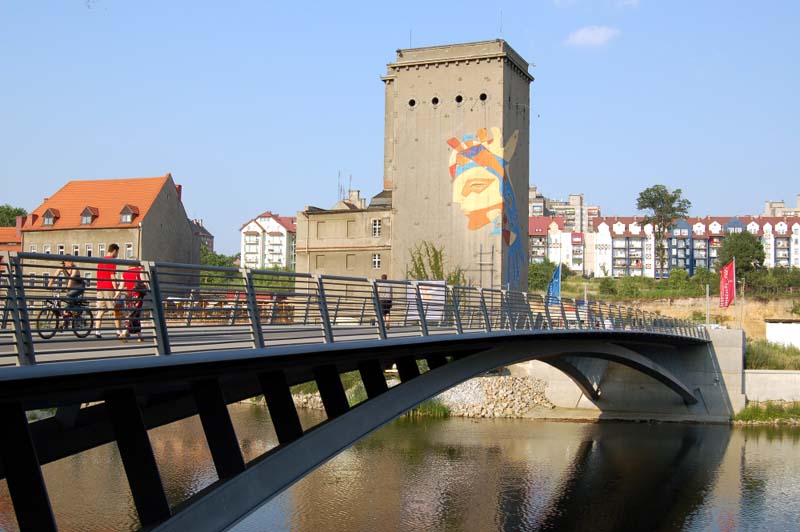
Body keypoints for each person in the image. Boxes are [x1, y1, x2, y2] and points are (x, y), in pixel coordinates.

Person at [94, 243, 125, 340]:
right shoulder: (111, 261)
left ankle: (97, 331)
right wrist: (116, 290)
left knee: (100, 311)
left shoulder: (100, 260)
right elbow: (112, 276)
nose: (117, 255)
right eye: (117, 252)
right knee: (115, 309)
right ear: (114, 251)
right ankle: (118, 331)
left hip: (100, 288)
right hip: (108, 288)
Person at [122, 265, 147, 342]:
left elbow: (121, 285)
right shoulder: (139, 270)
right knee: (132, 314)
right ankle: (123, 333)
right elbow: (145, 283)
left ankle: (140, 336)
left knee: (135, 315)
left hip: (128, 296)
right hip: (137, 296)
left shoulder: (125, 273)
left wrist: (116, 294)